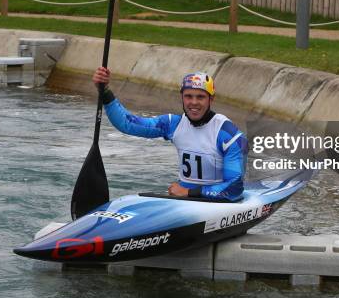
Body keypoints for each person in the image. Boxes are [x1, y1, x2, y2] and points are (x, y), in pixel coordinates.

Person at [92, 67, 247, 202]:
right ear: (182, 97)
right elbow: (128, 124)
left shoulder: (228, 134)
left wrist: (188, 192)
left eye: (200, 97)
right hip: (182, 200)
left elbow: (235, 185)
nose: (193, 102)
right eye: (188, 96)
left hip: (216, 204)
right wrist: (105, 92)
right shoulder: (174, 124)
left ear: (211, 99)